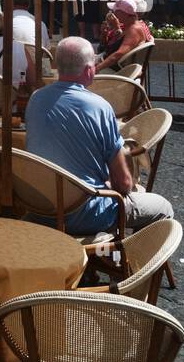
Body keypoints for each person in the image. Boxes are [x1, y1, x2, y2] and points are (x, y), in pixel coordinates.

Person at [26, 37, 174, 235]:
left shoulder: (35, 99)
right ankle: (127, 261)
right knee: (163, 208)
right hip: (84, 214)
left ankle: (110, 255)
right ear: (89, 70)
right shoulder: (99, 107)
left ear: (57, 65)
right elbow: (124, 184)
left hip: (40, 208)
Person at [95, 0, 152, 72]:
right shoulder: (128, 25)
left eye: (115, 11)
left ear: (124, 13)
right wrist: (105, 32)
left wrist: (96, 69)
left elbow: (118, 54)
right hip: (108, 63)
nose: (112, 13)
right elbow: (108, 46)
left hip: (114, 70)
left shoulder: (134, 30)